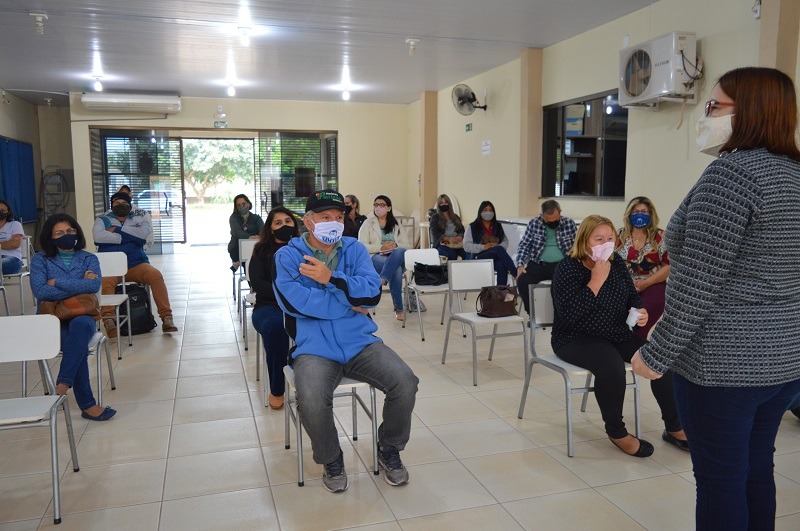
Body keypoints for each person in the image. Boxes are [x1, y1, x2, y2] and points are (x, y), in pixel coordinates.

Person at [632, 67, 800, 530]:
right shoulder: (795, 174)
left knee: (720, 483)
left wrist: (655, 353)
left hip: (723, 368)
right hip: (782, 365)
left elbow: (697, 282)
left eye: (714, 106)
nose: (706, 115)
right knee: (755, 473)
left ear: (749, 111)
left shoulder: (732, 175)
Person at [273, 189, 419, 493]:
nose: (333, 222)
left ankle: (389, 448)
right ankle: (332, 459)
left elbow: (371, 294)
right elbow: (296, 304)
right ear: (308, 221)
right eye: (325, 217)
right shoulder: (287, 256)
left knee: (404, 381)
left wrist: (331, 280)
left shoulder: (352, 249)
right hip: (314, 348)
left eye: (338, 217)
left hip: (360, 343)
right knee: (311, 399)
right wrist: (349, 300)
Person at [552, 215, 686, 458]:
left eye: (610, 238)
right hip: (574, 337)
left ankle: (674, 425)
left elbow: (633, 298)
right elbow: (568, 315)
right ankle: (617, 432)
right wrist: (595, 282)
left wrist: (640, 312)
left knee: (658, 359)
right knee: (611, 366)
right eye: (598, 239)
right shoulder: (567, 268)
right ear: (584, 240)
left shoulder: (617, 265)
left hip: (614, 332)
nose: (605, 243)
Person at [30, 214, 117, 421]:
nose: (66, 236)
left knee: (78, 329)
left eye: (70, 231)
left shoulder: (89, 258)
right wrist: (78, 283)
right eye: (59, 233)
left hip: (82, 313)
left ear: (77, 232)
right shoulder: (40, 260)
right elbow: (41, 292)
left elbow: (93, 286)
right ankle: (87, 405)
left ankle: (63, 384)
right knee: (75, 345)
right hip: (51, 318)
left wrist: (56, 281)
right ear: (50, 237)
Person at [93, 191, 178, 335]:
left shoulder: (139, 218)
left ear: (130, 206)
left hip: (137, 264)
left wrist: (118, 230)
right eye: (117, 203)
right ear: (112, 205)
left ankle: (167, 317)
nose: (121, 205)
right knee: (105, 283)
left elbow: (143, 235)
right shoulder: (102, 220)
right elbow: (98, 237)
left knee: (155, 275)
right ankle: (109, 320)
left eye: (125, 203)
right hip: (112, 268)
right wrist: (129, 236)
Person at [249, 206, 299, 410]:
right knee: (277, 327)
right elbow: (258, 283)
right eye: (278, 223)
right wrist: (286, 295)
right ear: (270, 228)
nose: (284, 225)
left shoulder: (302, 249)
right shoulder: (261, 251)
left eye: (288, 221)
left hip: (300, 305)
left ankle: (309, 380)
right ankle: (277, 388)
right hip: (269, 307)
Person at [616, 196, 669, 339]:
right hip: (624, 284)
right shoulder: (619, 235)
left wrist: (646, 283)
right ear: (629, 214)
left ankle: (638, 343)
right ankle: (621, 340)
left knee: (640, 316)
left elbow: (668, 266)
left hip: (653, 283)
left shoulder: (661, 236)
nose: (640, 214)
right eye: (635, 211)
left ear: (651, 214)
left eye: (644, 211)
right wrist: (627, 284)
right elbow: (611, 263)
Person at [516, 200, 577, 315]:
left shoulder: (569, 223)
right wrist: (520, 264)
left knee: (565, 284)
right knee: (522, 281)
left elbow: (577, 246)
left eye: (556, 220)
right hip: (539, 263)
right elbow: (524, 245)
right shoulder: (534, 223)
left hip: (562, 264)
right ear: (542, 215)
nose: (553, 223)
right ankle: (533, 314)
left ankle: (560, 316)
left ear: (560, 213)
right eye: (549, 221)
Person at [358, 195, 411, 320]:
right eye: (376, 205)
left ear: (389, 208)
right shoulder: (368, 223)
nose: (378, 207)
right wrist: (382, 247)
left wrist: (395, 245)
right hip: (376, 257)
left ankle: (382, 279)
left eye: (382, 205)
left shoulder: (396, 224)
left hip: (395, 257)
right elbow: (361, 246)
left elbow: (406, 245)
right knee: (396, 271)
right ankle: (399, 308)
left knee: (401, 250)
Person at [463, 201, 517, 285]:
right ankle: (516, 274)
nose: (488, 212)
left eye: (491, 210)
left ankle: (499, 294)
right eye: (485, 210)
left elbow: (505, 241)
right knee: (498, 249)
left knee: (502, 266)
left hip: (494, 256)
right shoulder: (472, 227)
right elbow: (466, 246)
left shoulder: (498, 226)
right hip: (477, 256)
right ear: (480, 212)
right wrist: (483, 247)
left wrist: (496, 246)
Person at [228, 194, 264, 272]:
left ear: (248, 204)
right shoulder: (233, 218)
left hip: (254, 247)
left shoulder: (256, 218)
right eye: (239, 205)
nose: (242, 206)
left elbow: (262, 231)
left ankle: (239, 264)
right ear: (236, 207)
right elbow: (237, 232)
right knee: (249, 265)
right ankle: (250, 278)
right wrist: (249, 237)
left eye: (243, 204)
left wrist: (258, 237)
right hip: (237, 248)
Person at [115, 185, 154, 251]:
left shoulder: (142, 214)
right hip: (117, 253)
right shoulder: (109, 214)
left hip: (137, 252)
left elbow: (149, 233)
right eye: (121, 194)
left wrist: (143, 249)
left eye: (127, 194)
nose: (125, 196)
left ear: (131, 196)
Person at [430, 194, 466, 261]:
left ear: (449, 204)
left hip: (457, 243)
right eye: (441, 203)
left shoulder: (456, 217)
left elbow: (462, 230)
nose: (444, 204)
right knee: (449, 255)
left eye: (446, 202)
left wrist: (460, 237)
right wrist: (448, 239)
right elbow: (435, 233)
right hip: (443, 244)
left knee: (469, 253)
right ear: (438, 205)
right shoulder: (435, 218)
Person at [0, 199, 24, 274]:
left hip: (12, 258)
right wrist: (6, 244)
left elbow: (15, 244)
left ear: (8, 212)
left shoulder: (15, 225)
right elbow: (10, 243)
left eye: (2, 210)